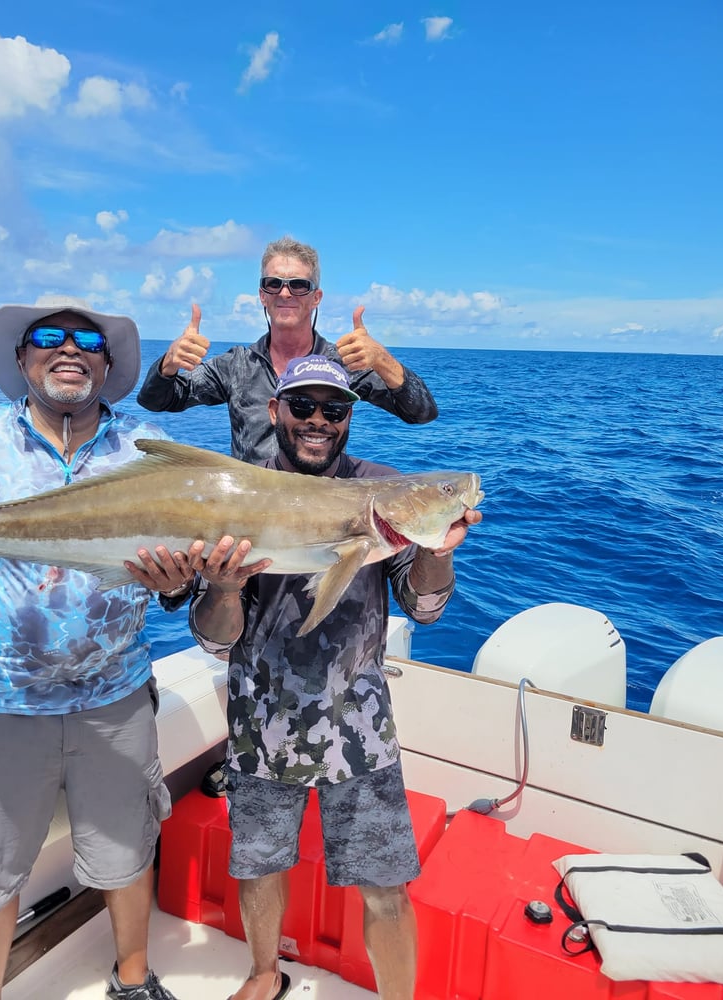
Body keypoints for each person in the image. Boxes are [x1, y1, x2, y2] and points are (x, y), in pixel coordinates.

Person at [183, 356, 481, 1000]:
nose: (318, 421)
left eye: (335, 409)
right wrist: (225, 587)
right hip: (259, 718)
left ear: (351, 418)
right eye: (303, 407)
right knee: (259, 868)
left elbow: (426, 609)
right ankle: (265, 975)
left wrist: (434, 550)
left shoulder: (380, 487)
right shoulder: (239, 491)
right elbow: (213, 639)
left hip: (359, 720)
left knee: (385, 883)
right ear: (275, 412)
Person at [0, 295, 196, 1000]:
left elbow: (180, 571)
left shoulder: (148, 451)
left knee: (127, 851)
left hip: (115, 693)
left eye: (88, 341)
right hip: (2, 700)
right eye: (49, 336)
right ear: (22, 357)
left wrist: (177, 584)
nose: (69, 348)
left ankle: (133, 980)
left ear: (107, 366)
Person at [136, 234, 438, 462]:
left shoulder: (342, 365)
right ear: (262, 295)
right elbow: (158, 400)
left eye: (298, 285)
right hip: (250, 518)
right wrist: (168, 365)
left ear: (316, 297)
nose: (285, 292)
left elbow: (421, 413)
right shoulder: (237, 365)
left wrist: (383, 361)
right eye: (274, 283)